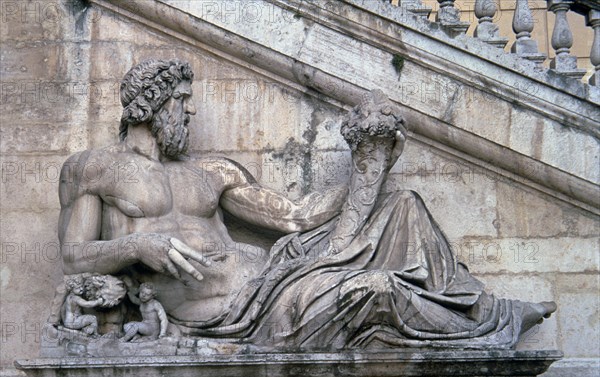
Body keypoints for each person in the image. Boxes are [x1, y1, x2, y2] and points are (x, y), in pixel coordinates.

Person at [58, 59, 555, 350]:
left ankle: (486, 309)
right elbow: (73, 255)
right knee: (374, 290)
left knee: (402, 203)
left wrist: (368, 162)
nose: (189, 111)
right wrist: (138, 245)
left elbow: (296, 217)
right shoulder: (93, 169)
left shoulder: (211, 171)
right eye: (182, 100)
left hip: (274, 276)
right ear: (155, 101)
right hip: (229, 311)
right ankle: (488, 328)